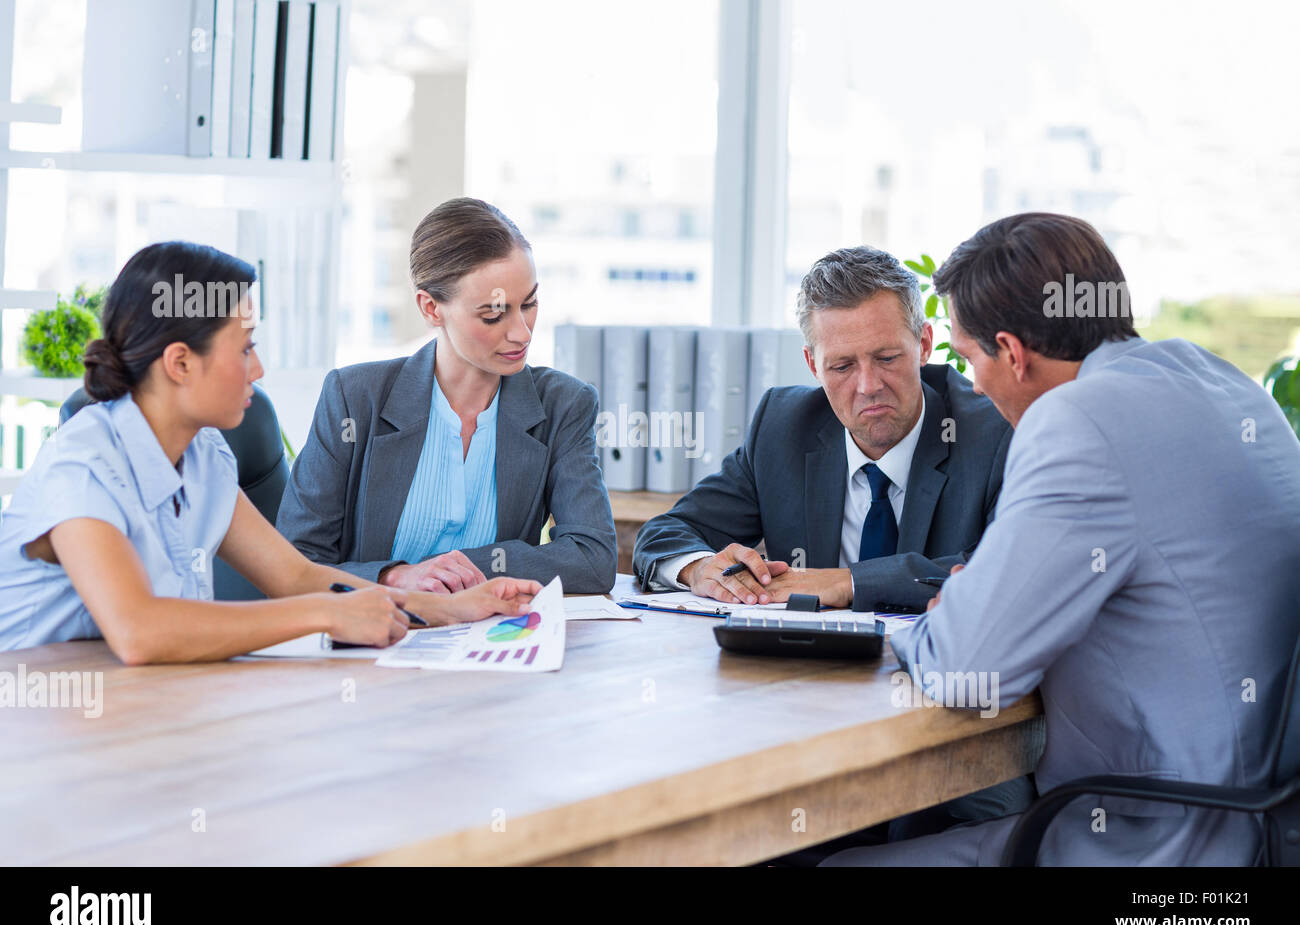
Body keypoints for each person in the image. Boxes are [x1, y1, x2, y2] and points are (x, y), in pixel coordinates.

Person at [823, 212, 1300, 866]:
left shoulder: (1079, 421)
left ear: (1012, 353)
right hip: (1266, 825)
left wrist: (950, 614)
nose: (971, 386)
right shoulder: (1223, 383)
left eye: (967, 360)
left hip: (1161, 846)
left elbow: (969, 670)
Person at [0, 242, 540, 662]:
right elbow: (139, 632)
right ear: (180, 363)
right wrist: (326, 615)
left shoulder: (203, 453)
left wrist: (448, 609)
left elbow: (297, 577)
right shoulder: (84, 466)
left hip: (131, 705)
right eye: (245, 347)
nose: (257, 370)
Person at [634, 245, 1012, 613]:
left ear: (924, 345)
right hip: (804, 669)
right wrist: (699, 568)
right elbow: (667, 533)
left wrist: (848, 582)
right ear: (812, 364)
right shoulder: (783, 427)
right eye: (842, 366)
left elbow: (1005, 571)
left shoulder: (994, 432)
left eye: (886, 358)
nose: (868, 385)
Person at [277, 198, 616, 595]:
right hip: (370, 640)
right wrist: (394, 577)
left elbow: (592, 559)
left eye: (530, 304)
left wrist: (462, 570)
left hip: (491, 640)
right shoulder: (355, 399)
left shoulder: (563, 405)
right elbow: (293, 563)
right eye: (493, 314)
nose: (522, 333)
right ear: (431, 308)